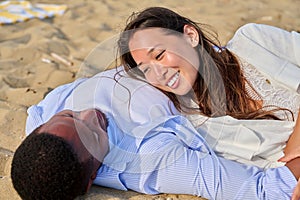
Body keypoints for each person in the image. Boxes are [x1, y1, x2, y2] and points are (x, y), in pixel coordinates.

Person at [11, 67, 300, 200]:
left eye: (70, 115)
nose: (90, 113)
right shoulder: (149, 159)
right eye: (94, 132)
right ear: (91, 178)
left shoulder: (41, 118)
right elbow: (267, 189)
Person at [117, 6, 300, 169]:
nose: (158, 74)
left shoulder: (254, 41)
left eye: (159, 55)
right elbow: (275, 172)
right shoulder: (199, 127)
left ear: (190, 36)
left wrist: (295, 144)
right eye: (146, 69)